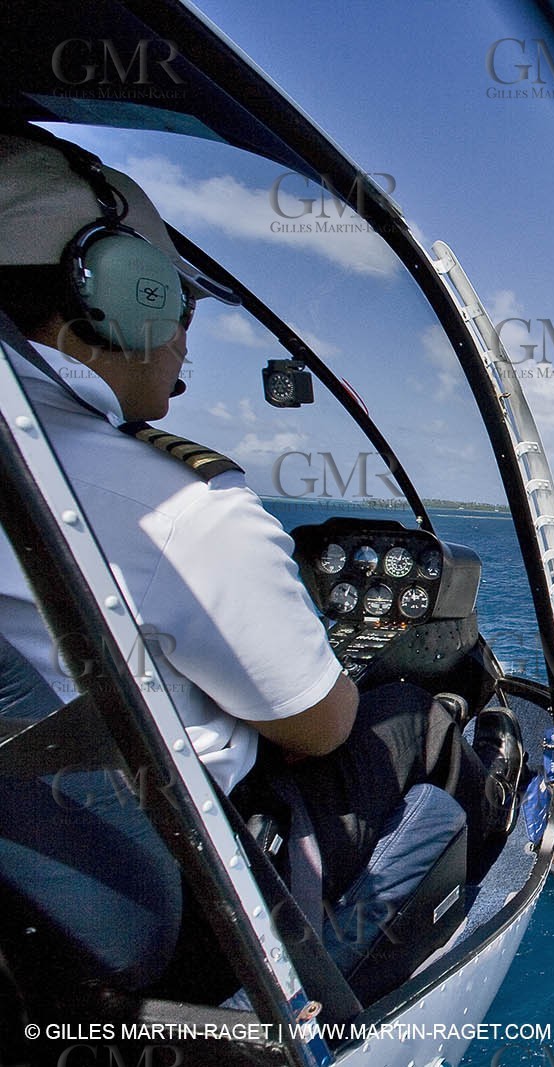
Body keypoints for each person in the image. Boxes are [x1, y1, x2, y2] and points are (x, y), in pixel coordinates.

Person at [0, 128, 524, 909]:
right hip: (201, 879)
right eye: (176, 297)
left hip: (57, 871)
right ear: (118, 289)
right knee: (420, 721)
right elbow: (320, 728)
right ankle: (502, 853)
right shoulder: (184, 511)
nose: (185, 339)